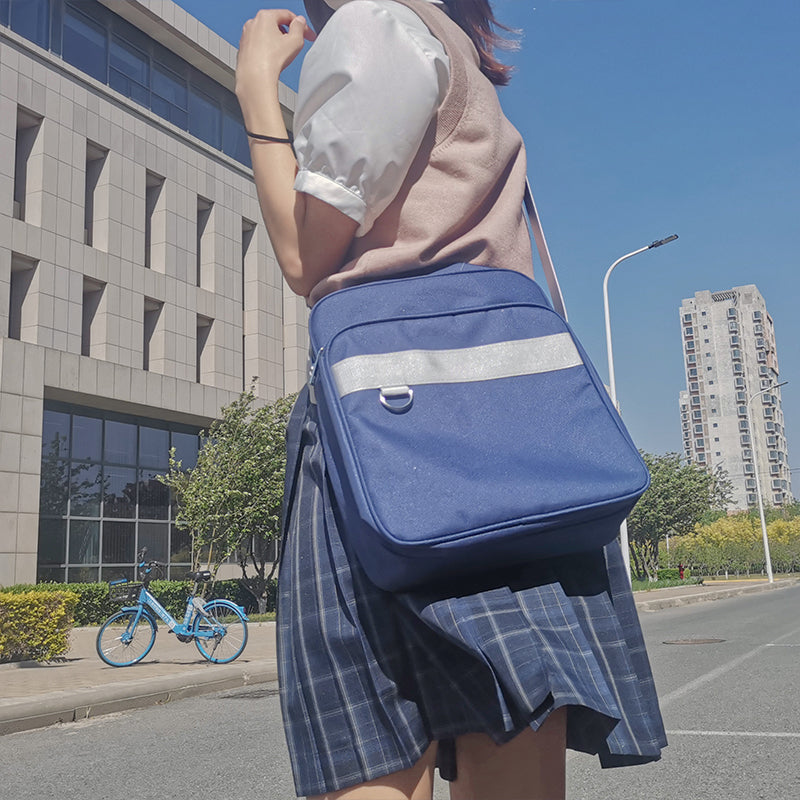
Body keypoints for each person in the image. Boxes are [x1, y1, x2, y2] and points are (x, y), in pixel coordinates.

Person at [235, 2, 667, 798]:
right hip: (514, 444)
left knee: (370, 747)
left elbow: (304, 257)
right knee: (513, 750)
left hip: (384, 435)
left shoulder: (375, 26)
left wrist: (257, 86)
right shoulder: (451, 49)